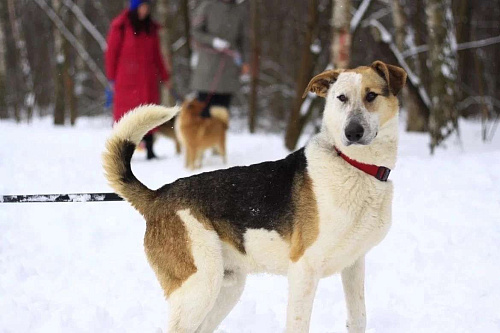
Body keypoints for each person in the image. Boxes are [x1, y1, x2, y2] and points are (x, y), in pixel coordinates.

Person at [105, 0, 170, 159]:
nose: (144, 10)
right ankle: (123, 152)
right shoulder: (120, 26)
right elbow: (111, 53)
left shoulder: (151, 28)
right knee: (126, 117)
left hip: (148, 79)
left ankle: (149, 148)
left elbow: (157, 55)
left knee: (147, 114)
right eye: (141, 6)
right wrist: (111, 78)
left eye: (147, 7)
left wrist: (165, 75)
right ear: (134, 8)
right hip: (126, 80)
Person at [191, 0, 249, 118]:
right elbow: (195, 31)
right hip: (207, 69)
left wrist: (244, 62)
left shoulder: (239, 10)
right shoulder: (207, 6)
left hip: (228, 69)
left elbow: (243, 39)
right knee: (204, 113)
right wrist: (213, 41)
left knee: (221, 116)